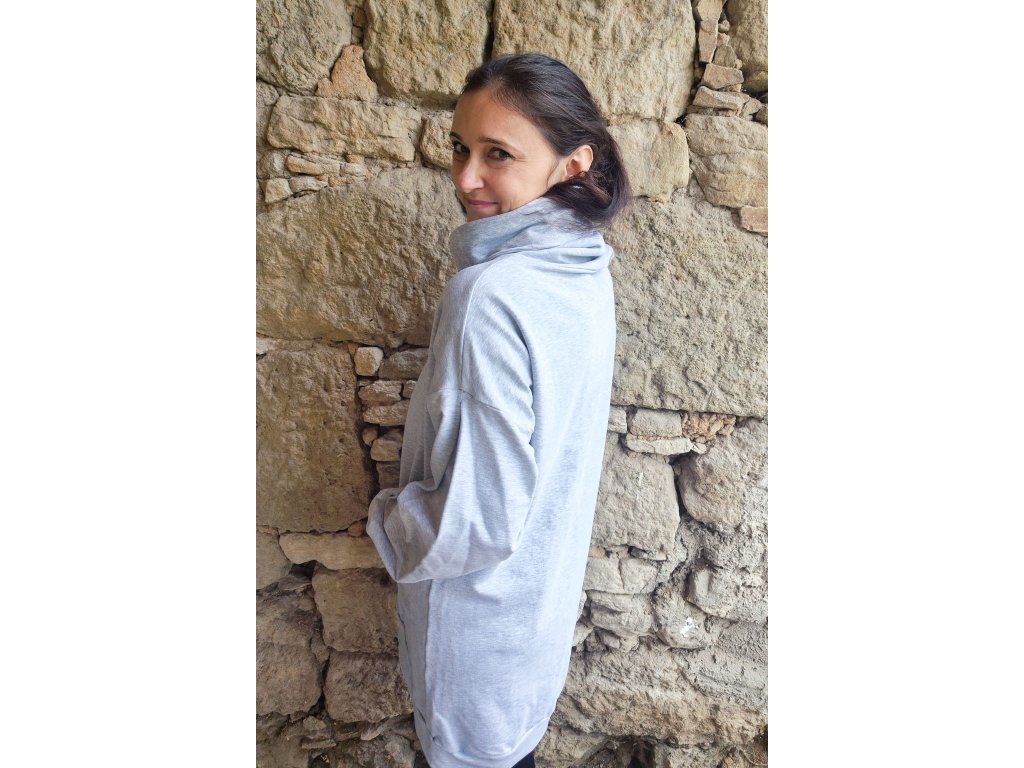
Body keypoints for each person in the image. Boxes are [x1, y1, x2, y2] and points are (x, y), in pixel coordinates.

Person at [366, 52, 632, 768]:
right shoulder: (584, 266)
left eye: (498, 154)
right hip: (533, 626)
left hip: (476, 639)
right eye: (460, 147)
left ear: (573, 164)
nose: (465, 177)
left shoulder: (490, 297)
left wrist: (388, 520)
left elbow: (475, 520)